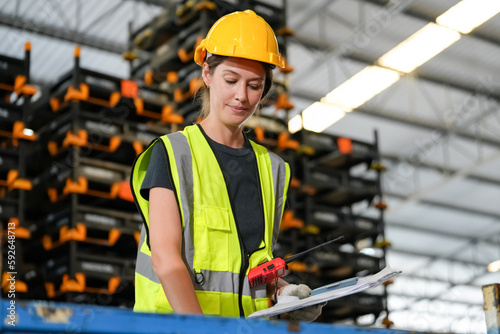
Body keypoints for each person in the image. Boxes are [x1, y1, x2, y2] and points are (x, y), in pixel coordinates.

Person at [130, 9, 323, 321]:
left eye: (254, 85)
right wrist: (203, 330)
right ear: (207, 73)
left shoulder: (271, 168)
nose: (241, 96)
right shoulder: (172, 154)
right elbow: (166, 260)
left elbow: (251, 268)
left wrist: (283, 292)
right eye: (231, 80)